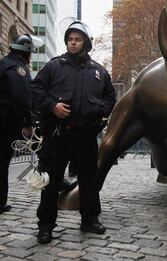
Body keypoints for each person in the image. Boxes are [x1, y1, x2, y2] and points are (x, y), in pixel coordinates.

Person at [30, 20, 116, 244]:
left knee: (89, 179)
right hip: (57, 134)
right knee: (52, 180)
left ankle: (90, 220)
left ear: (86, 43)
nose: (73, 43)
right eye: (70, 39)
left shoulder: (99, 71)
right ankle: (46, 225)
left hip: (86, 135)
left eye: (78, 40)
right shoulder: (53, 66)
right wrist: (52, 106)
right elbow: (36, 89)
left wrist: (100, 110)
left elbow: (110, 97)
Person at [0, 34, 43, 214]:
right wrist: (27, 123)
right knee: (1, 163)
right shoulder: (18, 69)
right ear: (26, 53)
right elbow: (21, 98)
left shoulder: (3, 63)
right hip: (5, 123)